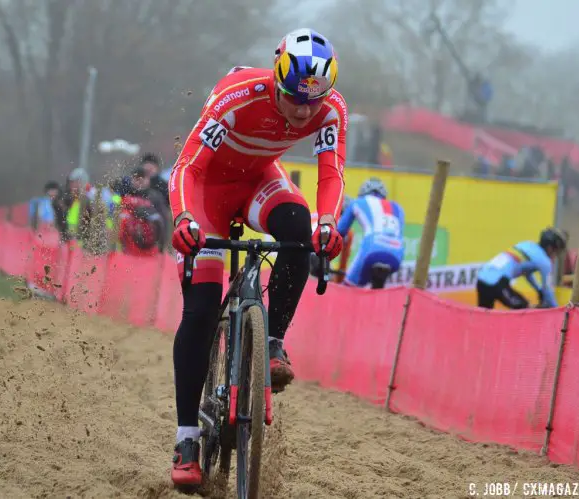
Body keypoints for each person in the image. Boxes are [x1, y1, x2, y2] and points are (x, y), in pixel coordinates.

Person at [168, 28, 346, 487]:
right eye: (293, 98)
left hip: (257, 182)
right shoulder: (239, 95)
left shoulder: (331, 110)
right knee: (202, 309)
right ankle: (187, 438)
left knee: (298, 231)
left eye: (313, 101)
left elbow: (332, 175)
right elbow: (188, 166)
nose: (303, 111)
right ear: (277, 76)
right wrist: (184, 217)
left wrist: (328, 224)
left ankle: (271, 344)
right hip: (207, 191)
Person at [336, 178, 405, 289]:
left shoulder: (357, 202)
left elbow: (339, 231)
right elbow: (400, 234)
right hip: (396, 254)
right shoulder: (398, 208)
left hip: (372, 248)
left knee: (348, 287)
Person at [476, 228, 567, 310]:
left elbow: (527, 273)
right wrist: (557, 310)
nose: (555, 256)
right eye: (557, 251)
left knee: (483, 318)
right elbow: (548, 290)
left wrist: (538, 289)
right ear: (550, 248)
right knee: (526, 310)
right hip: (497, 282)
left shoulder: (527, 244)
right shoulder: (545, 261)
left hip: (482, 278)